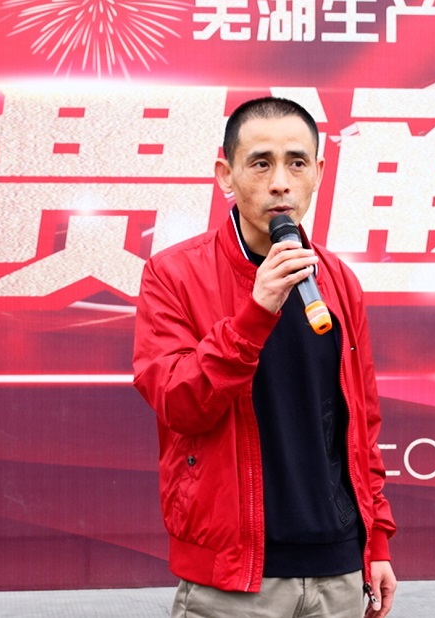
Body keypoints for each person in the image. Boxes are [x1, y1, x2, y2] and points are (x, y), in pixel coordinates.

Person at [133, 96, 397, 618]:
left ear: (318, 173)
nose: (280, 182)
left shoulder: (338, 281)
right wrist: (255, 314)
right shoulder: (173, 274)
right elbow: (178, 403)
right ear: (225, 175)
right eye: (260, 163)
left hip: (340, 570)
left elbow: (362, 424)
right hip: (234, 580)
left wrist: (377, 544)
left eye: (297, 163)